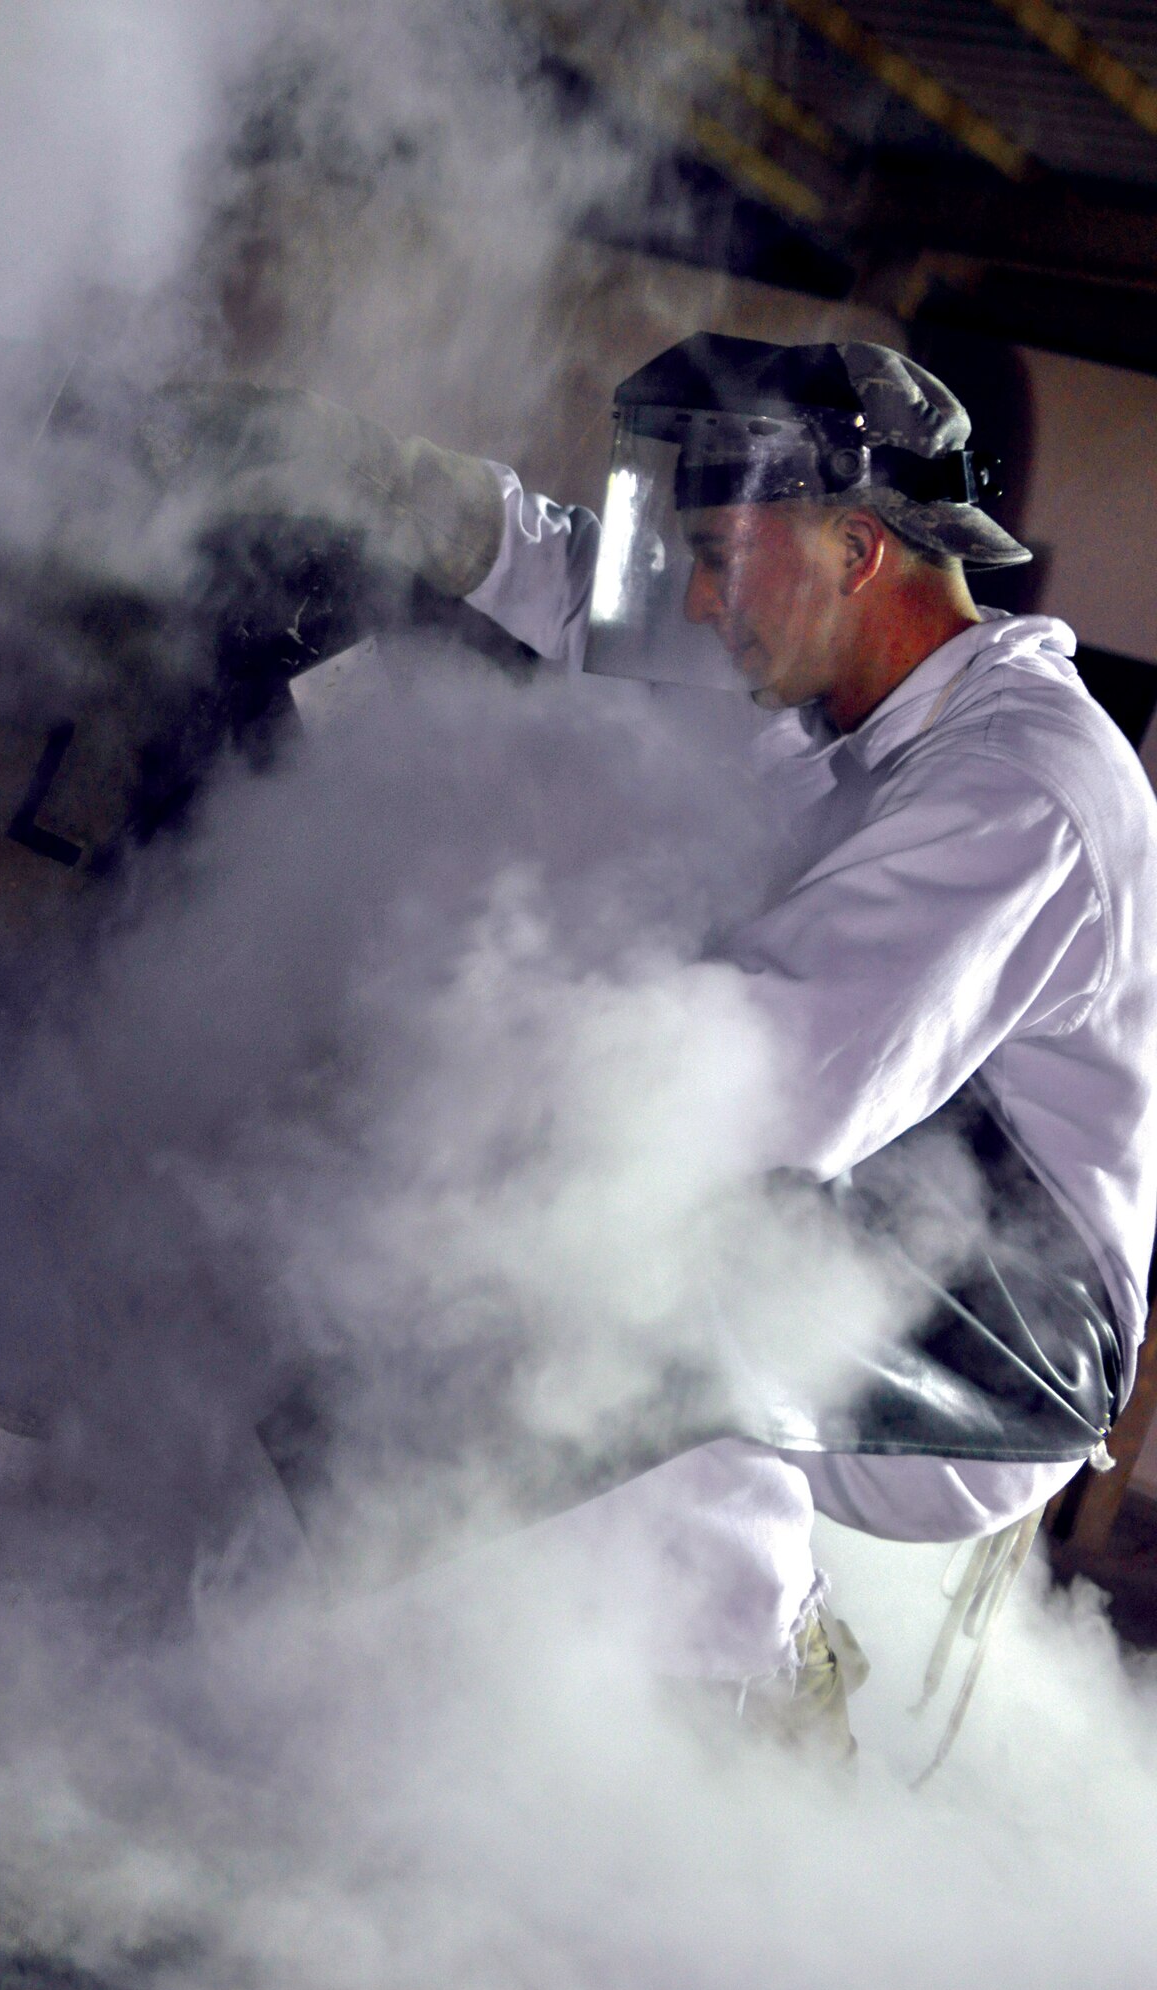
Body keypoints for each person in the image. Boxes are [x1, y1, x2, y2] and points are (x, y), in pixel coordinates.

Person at [191, 341, 1157, 1739]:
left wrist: (450, 1096)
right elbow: (597, 588)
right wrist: (393, 482)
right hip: (880, 1226)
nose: (693, 600)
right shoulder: (850, 682)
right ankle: (445, 1687)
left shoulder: (1024, 788)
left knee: (627, 1263)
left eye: (721, 558)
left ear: (858, 548)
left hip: (1009, 1337)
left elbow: (748, 1102)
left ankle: (754, 1724)